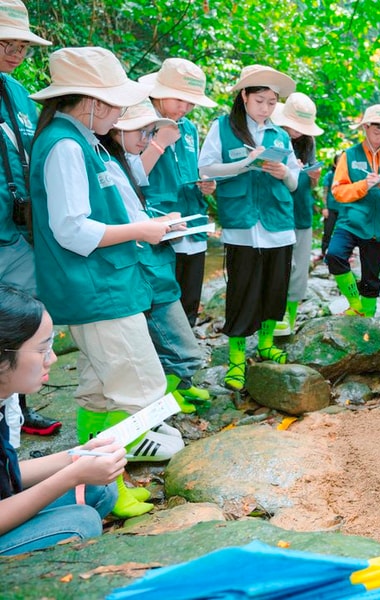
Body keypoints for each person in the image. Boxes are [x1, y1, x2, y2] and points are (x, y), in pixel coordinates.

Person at [29, 46, 181, 518]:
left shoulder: (77, 140)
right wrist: (142, 230)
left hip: (98, 287)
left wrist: (146, 223)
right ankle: (112, 483)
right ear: (88, 101)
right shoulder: (67, 145)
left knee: (98, 389)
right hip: (98, 289)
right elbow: (72, 230)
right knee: (142, 392)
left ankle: (101, 490)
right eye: (113, 103)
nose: (119, 114)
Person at [0, 285, 125, 555]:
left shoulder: (4, 401)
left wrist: (75, 457)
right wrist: (71, 476)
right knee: (81, 522)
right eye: (43, 350)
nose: (53, 359)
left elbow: (7, 473)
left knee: (100, 489)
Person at [102, 101, 207, 418]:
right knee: (175, 343)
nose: (146, 139)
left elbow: (134, 209)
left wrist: (161, 221)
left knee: (178, 333)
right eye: (141, 131)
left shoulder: (119, 158)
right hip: (137, 262)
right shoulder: (104, 161)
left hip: (152, 256)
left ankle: (173, 390)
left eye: (150, 132)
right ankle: (166, 397)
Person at [198, 65, 298, 391]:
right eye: (260, 101)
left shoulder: (280, 135)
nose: (266, 109)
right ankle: (236, 360)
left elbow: (295, 182)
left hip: (277, 224)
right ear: (244, 96)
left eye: (271, 103)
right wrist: (244, 163)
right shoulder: (222, 128)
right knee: (242, 291)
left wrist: (282, 171)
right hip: (241, 224)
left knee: (275, 287)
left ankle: (267, 344)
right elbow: (207, 167)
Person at [0, 0, 60, 438]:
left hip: (20, 227)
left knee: (23, 321)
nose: (16, 53)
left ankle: (18, 408)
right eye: (6, 43)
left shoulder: (18, 92)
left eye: (22, 46)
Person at [138, 58, 218, 330]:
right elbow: (130, 177)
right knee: (161, 295)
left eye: (191, 102)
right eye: (179, 101)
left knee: (190, 292)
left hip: (192, 219)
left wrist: (206, 184)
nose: (185, 108)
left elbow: (192, 168)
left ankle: (185, 355)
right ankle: (165, 357)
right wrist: (159, 143)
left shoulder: (190, 129)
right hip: (158, 221)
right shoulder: (138, 121)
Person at [325, 104, 380, 318]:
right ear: (366, 127)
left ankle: (368, 318)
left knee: (371, 277)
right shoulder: (349, 155)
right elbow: (338, 192)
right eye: (377, 130)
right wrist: (364, 185)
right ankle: (355, 304)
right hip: (351, 220)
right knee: (334, 255)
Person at [270, 92, 324, 335]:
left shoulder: (308, 143)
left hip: (301, 211)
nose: (298, 132)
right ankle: (272, 318)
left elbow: (308, 185)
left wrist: (312, 178)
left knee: (299, 270)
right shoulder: (272, 137)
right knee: (279, 268)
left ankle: (289, 321)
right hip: (277, 212)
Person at [320, 155, 339, 257]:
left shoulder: (348, 175)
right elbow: (325, 192)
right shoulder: (330, 175)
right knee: (328, 231)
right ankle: (324, 252)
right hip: (331, 208)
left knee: (342, 233)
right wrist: (324, 207)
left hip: (343, 209)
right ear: (335, 164)